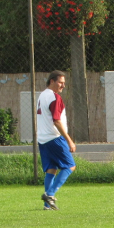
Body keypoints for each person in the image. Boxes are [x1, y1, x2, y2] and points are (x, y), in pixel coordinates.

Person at [37, 70, 76, 210]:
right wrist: (69, 140)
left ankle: (47, 205)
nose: (63, 85)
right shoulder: (55, 98)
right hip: (54, 138)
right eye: (60, 82)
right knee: (70, 166)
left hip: (42, 139)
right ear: (52, 81)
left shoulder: (42, 95)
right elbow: (57, 121)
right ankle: (50, 194)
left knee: (51, 170)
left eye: (64, 83)